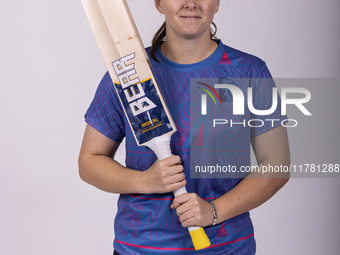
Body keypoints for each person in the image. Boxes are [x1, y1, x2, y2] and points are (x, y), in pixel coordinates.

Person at [78, 0, 290, 254]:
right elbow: (89, 161)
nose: (191, 3)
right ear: (159, 3)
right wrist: (146, 180)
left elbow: (277, 166)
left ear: (217, 3)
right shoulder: (130, 75)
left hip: (226, 248)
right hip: (140, 248)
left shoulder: (249, 72)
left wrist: (212, 212)